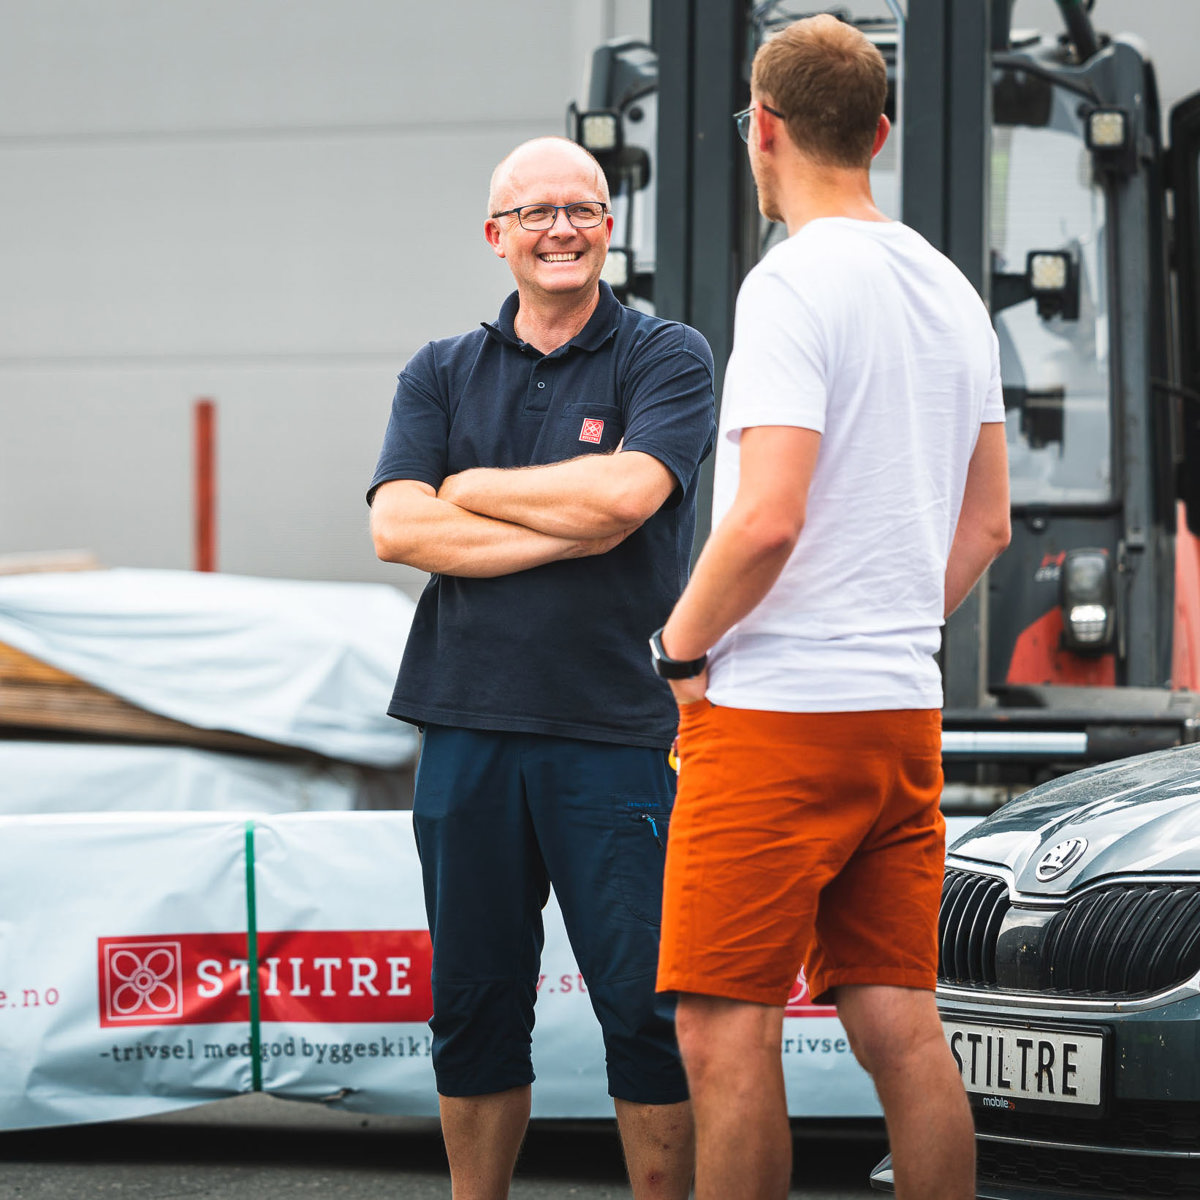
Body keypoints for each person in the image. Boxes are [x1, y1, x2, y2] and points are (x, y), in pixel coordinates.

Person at [649, 16, 1011, 1200]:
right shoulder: (951, 289)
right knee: (900, 1021)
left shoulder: (790, 283)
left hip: (776, 718)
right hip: (900, 713)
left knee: (722, 1026)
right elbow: (988, 525)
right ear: (883, 133)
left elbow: (765, 519)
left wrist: (679, 646)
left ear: (761, 130)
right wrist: (897, 616)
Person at [368, 136, 715, 1200]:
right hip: (464, 725)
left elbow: (627, 501)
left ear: (611, 226)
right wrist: (565, 524)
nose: (561, 228)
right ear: (497, 237)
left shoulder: (667, 357)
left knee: (642, 1007)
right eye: (535, 214)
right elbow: (396, 529)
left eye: (582, 208)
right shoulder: (439, 369)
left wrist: (466, 485)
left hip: (612, 733)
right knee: (474, 1003)